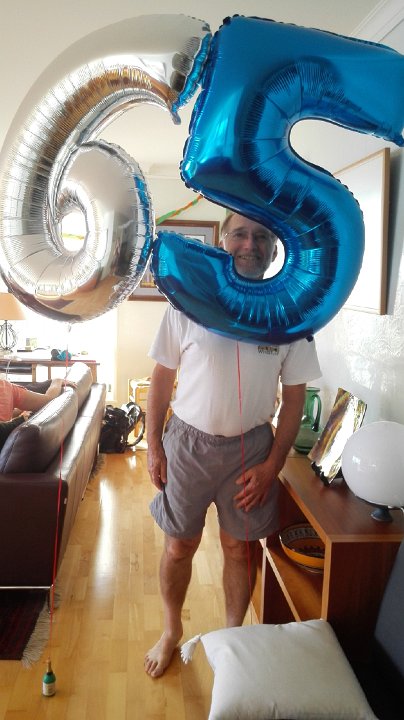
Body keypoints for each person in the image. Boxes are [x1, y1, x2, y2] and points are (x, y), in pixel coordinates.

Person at [144, 212, 321, 678]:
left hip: (252, 449)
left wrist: (272, 466)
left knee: (238, 549)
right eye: (240, 233)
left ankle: (231, 639)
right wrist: (154, 444)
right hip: (188, 444)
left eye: (261, 236)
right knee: (179, 547)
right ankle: (170, 631)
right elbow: (161, 376)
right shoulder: (188, 300)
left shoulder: (290, 313)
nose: (250, 244)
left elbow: (295, 399)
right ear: (224, 240)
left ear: (274, 247)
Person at [0, 376, 73, 423]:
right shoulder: (5, 387)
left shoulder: (6, 388)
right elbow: (48, 402)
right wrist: (57, 381)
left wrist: (22, 409)